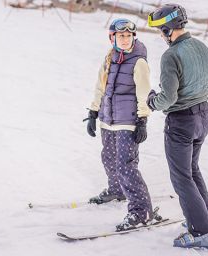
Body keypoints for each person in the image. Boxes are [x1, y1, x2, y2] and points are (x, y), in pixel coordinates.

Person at [147, 4, 208, 248]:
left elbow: (168, 98)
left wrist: (152, 101)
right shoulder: (202, 47)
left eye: (160, 30)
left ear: (167, 29)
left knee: (181, 177)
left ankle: (202, 233)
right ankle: (202, 220)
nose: (160, 35)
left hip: (181, 123)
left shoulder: (171, 55)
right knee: (192, 170)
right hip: (203, 117)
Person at [83, 18, 160, 231]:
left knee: (126, 165)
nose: (125, 40)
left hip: (128, 121)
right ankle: (116, 189)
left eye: (128, 36)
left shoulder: (139, 62)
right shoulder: (109, 58)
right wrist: (93, 112)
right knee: (108, 158)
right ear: (112, 37)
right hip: (108, 120)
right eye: (121, 36)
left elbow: (144, 92)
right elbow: (100, 87)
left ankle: (141, 211)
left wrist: (142, 120)